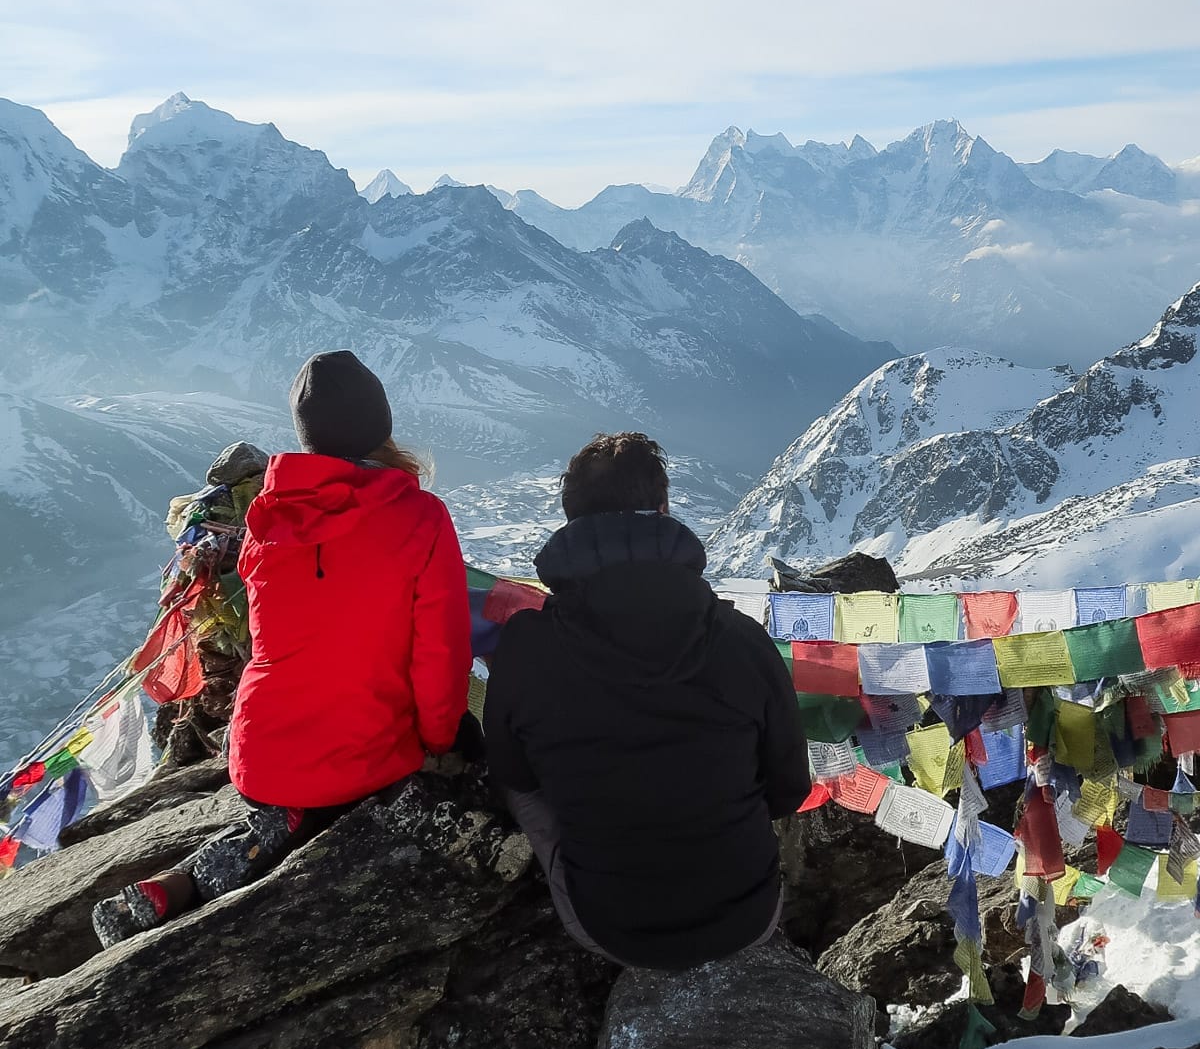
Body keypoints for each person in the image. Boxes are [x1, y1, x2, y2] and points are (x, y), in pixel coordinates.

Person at [93, 351, 473, 946]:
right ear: (381, 428)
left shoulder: (266, 518)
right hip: (364, 748)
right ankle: (288, 824)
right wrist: (443, 739)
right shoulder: (419, 516)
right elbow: (441, 654)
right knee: (407, 785)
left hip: (258, 748)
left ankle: (198, 872)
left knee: (295, 800)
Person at [483, 431, 810, 969]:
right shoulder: (744, 640)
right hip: (746, 917)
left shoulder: (527, 645)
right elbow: (788, 789)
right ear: (662, 511)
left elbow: (513, 771)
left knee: (525, 790)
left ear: (573, 522)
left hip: (607, 926)